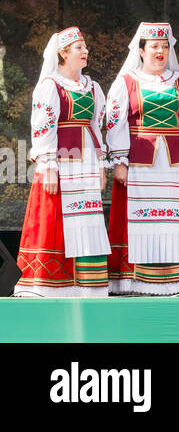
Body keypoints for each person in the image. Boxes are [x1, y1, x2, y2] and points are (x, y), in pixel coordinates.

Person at [104, 22, 179, 295]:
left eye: (164, 46)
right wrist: (120, 161)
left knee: (174, 219)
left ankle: (175, 280)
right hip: (139, 165)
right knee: (140, 218)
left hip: (174, 165)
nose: (160, 51)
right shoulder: (126, 83)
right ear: (141, 50)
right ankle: (136, 281)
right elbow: (116, 123)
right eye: (154, 46)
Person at [14, 27, 112, 297]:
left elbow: (96, 125)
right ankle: (54, 284)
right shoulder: (51, 86)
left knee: (88, 214)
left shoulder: (93, 87)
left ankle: (87, 285)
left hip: (88, 160)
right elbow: (43, 128)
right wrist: (48, 166)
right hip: (63, 159)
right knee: (59, 215)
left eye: (85, 47)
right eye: (79, 47)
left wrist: (102, 165)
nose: (86, 51)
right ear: (63, 53)